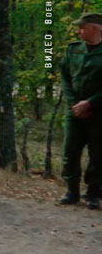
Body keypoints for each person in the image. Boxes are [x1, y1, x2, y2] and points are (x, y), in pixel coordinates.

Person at [59, 12, 102, 210]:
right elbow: (65, 77)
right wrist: (75, 103)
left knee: (98, 154)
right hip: (74, 111)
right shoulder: (73, 50)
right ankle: (71, 191)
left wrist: (90, 103)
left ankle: (93, 193)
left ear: (95, 28)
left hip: (98, 112)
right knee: (70, 151)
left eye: (82, 27)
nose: (78, 31)